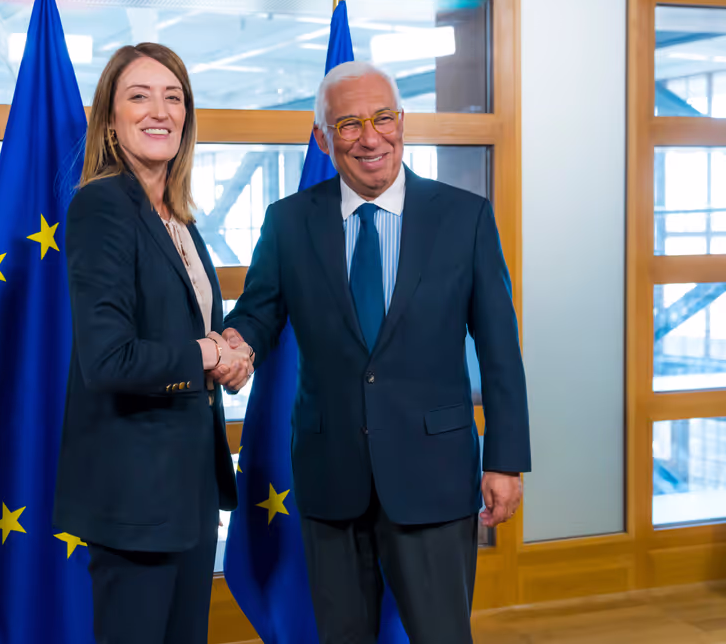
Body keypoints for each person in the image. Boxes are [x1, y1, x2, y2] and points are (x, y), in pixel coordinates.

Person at [215, 61, 531, 644]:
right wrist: (233, 344)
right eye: (350, 123)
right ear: (322, 137)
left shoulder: (464, 218)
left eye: (384, 118)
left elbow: (500, 349)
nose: (371, 137)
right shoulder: (287, 223)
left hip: (434, 477)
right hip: (330, 474)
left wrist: (505, 460)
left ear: (402, 122)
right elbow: (258, 313)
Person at [53, 43, 250, 644]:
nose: (158, 110)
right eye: (138, 96)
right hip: (134, 499)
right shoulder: (102, 206)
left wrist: (231, 346)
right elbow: (109, 359)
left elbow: (180, 327)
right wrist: (208, 354)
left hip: (186, 489)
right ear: (110, 119)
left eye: (173, 96)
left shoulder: (177, 216)